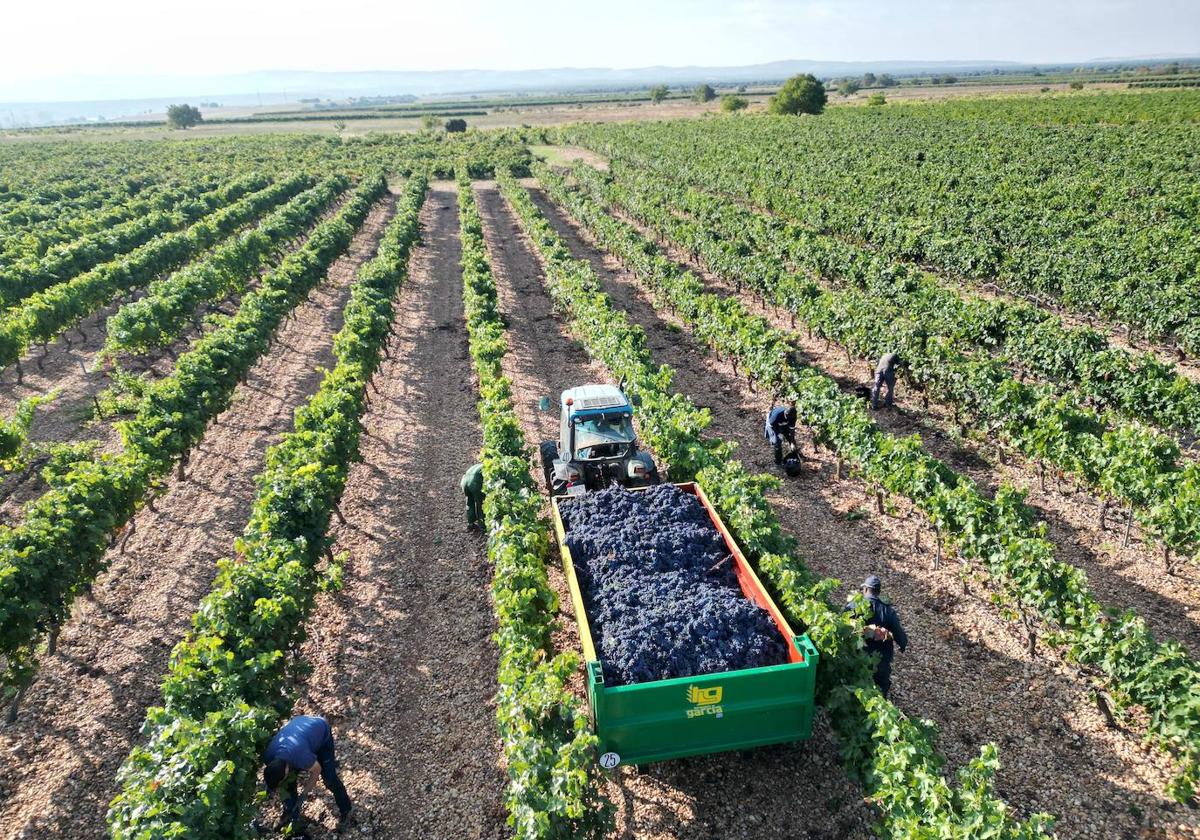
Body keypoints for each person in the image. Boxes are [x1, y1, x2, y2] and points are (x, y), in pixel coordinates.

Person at [263, 715, 353, 832]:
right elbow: (278, 779)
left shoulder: (301, 756)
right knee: (288, 785)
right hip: (300, 727)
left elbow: (316, 771)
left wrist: (303, 795)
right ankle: (291, 815)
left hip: (321, 731)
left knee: (329, 778)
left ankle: (346, 810)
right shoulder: (268, 756)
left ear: (286, 770)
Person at [845, 575, 908, 698]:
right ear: (878, 592)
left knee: (855, 687)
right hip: (880, 659)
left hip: (857, 657)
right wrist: (902, 644)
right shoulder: (888, 611)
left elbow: (842, 626)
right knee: (881, 688)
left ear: (866, 589)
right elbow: (898, 633)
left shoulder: (853, 607)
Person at [764, 400, 798, 465]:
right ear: (786, 414)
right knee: (777, 442)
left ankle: (795, 453)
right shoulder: (776, 416)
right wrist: (778, 433)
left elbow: (792, 430)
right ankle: (778, 461)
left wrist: (792, 442)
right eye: (788, 418)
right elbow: (772, 426)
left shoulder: (793, 416)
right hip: (773, 425)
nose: (790, 419)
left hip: (783, 424)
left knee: (791, 439)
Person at [461, 462, 484, 531]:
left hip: (464, 482)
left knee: (469, 502)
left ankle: (470, 523)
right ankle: (482, 526)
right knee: (481, 504)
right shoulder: (489, 468)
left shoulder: (478, 465)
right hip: (474, 483)